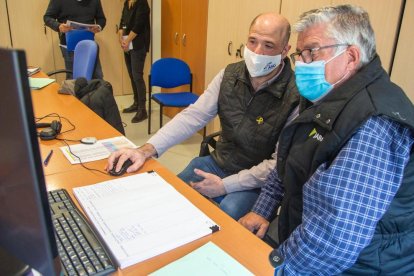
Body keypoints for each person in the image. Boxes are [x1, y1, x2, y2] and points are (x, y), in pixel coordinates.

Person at [239, 5, 414, 275]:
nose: (302, 64)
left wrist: (274, 268)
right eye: (300, 54)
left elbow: (332, 240)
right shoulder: (326, 94)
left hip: (357, 266)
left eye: (311, 52)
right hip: (305, 237)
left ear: (351, 56)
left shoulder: (374, 123)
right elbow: (289, 160)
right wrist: (263, 209)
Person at [106, 13, 299, 220]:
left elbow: (277, 163)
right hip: (218, 162)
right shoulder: (229, 75)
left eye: (268, 45)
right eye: (253, 41)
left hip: (254, 181)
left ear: (285, 50)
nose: (257, 52)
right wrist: (146, 150)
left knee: (224, 216)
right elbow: (194, 116)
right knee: (171, 195)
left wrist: (225, 186)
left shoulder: (295, 95)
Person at [44, 0, 106, 79]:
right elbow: (47, 17)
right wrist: (58, 26)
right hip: (69, 46)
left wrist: (99, 27)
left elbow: (101, 18)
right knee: (73, 79)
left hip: (89, 46)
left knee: (97, 77)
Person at [119, 0, 151, 123]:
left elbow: (138, 25)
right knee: (132, 75)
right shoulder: (127, 3)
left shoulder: (142, 3)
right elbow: (122, 23)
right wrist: (121, 38)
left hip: (138, 45)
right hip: (127, 44)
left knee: (137, 76)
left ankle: (142, 110)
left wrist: (127, 41)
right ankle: (136, 103)